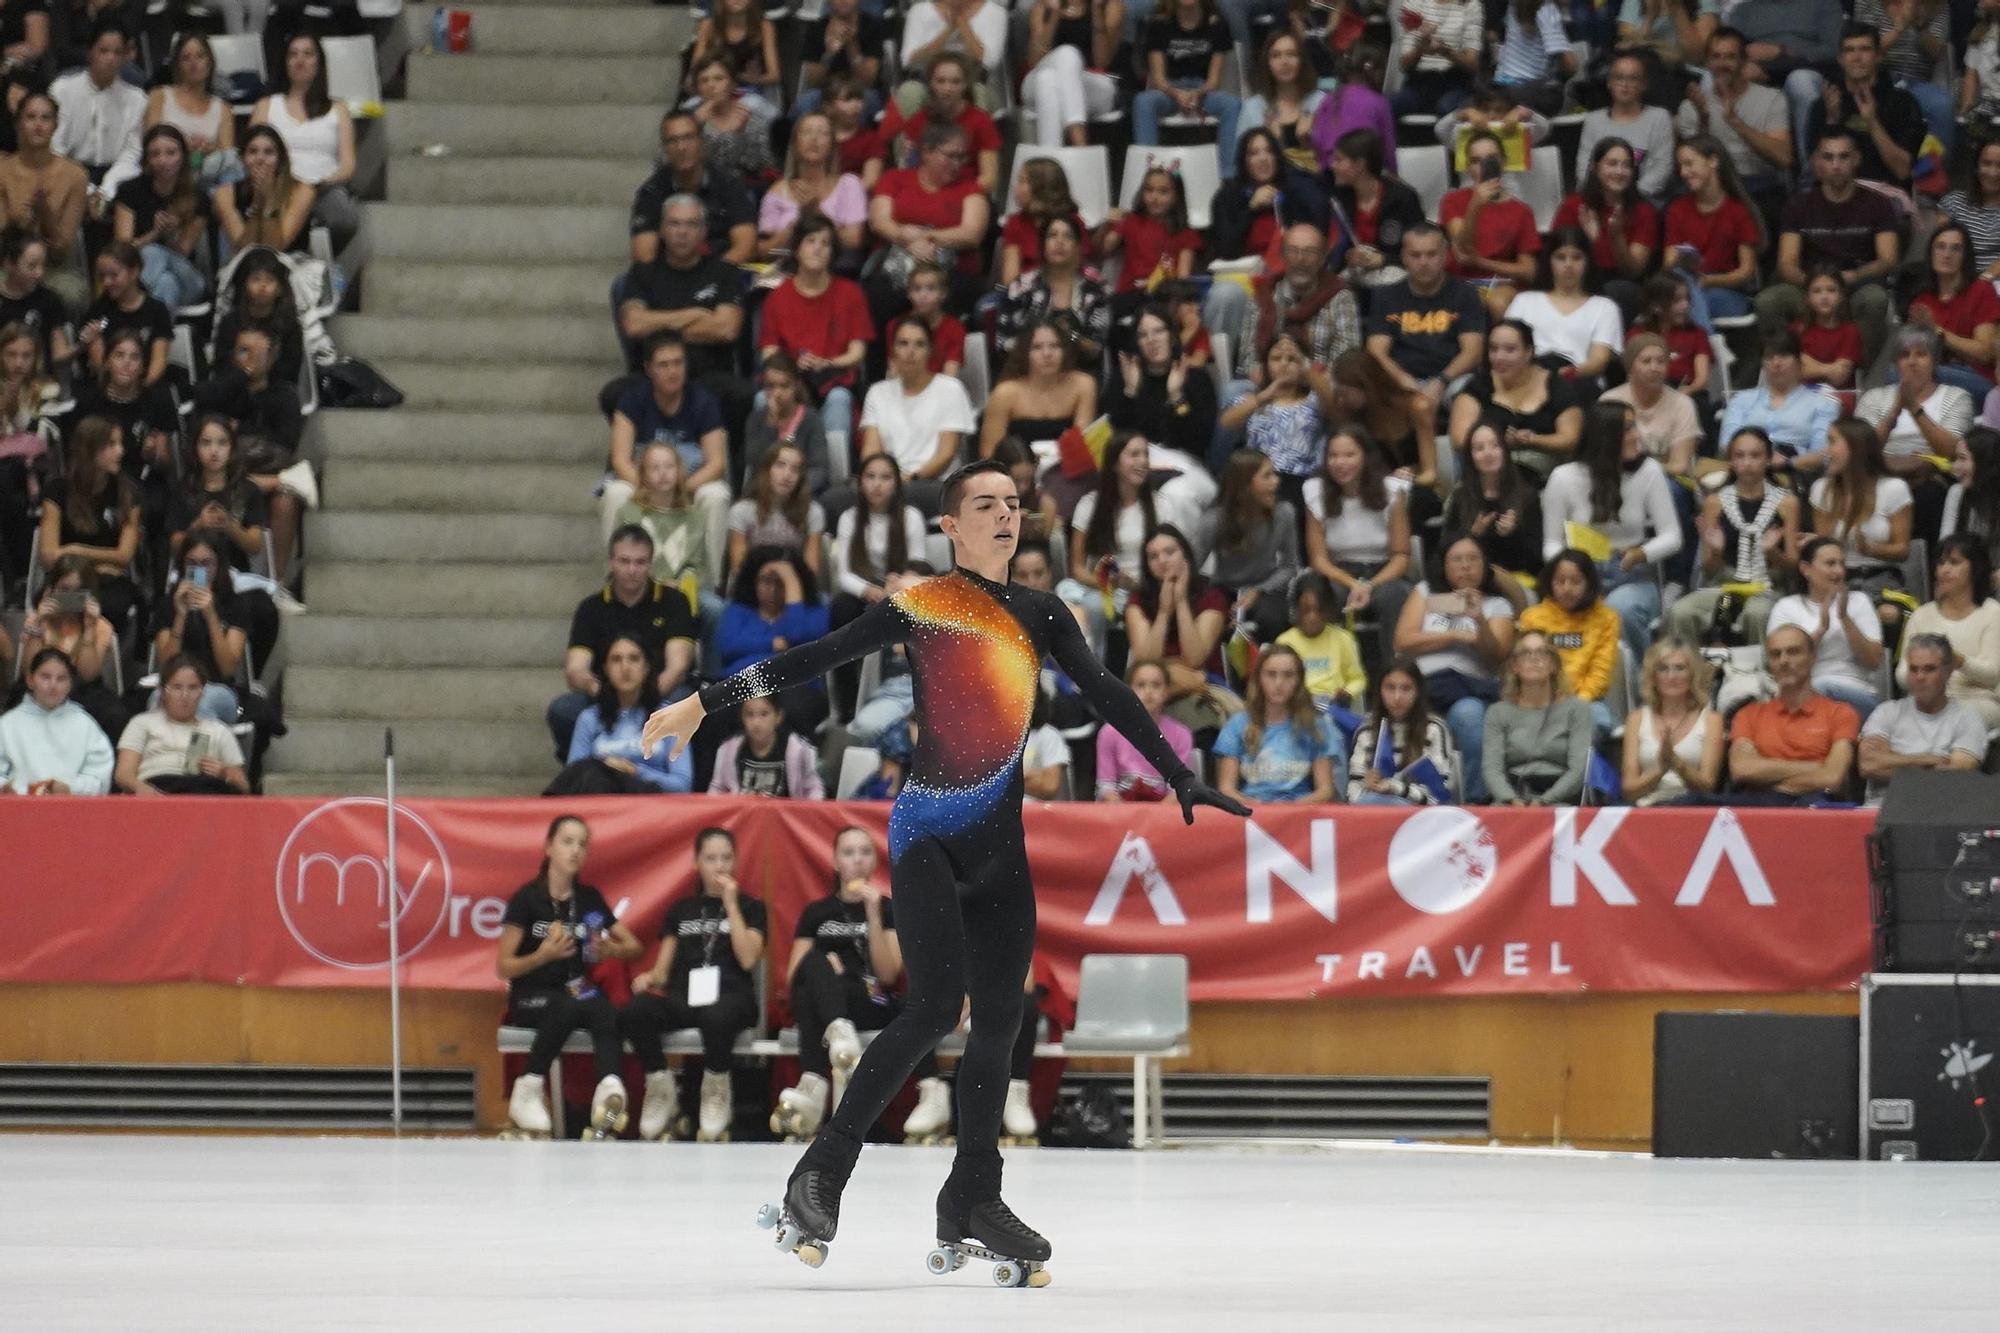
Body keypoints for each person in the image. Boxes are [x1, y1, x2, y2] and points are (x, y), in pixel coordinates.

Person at [638, 458, 1247, 1274]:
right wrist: (703, 701)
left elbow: (1104, 690)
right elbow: (813, 657)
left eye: (1014, 504)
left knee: (1002, 1018)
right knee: (930, 1009)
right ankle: (818, 1173)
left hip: (1001, 847)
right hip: (926, 832)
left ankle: (972, 1196)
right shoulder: (923, 605)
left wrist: (1177, 772)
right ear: (950, 525)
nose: (1005, 514)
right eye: (985, 504)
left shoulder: (1042, 612)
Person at [499, 815, 645, 1139]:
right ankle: (529, 1085)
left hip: (575, 993)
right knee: (564, 1005)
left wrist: (611, 951)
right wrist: (543, 955)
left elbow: (633, 945)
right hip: (531, 995)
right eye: (567, 842)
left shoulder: (588, 898)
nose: (575, 850)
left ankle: (609, 1088)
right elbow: (504, 966)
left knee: (604, 1008)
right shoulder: (527, 899)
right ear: (549, 847)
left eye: (582, 844)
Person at [770, 827, 912, 1141]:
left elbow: (888, 975)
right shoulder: (816, 912)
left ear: (875, 861)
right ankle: (838, 1033)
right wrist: (823, 964)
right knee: (813, 971)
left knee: (822, 981)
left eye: (864, 852)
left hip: (871, 998)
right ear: (835, 861)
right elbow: (796, 976)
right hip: (826, 1000)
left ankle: (813, 1082)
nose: (857, 861)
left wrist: (873, 915)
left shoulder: (888, 908)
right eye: (849, 853)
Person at [1540, 401, 1683, 662]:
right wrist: (1570, 574)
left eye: (1634, 427)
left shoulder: (1648, 471)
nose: (1636, 435)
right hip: (1580, 572)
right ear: (1606, 436)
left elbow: (1672, 536)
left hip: (1630, 572)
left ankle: (1641, 688)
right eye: (1627, 429)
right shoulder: (1563, 478)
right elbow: (1550, 544)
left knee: (1620, 610)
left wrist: (1641, 553)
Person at [613, 195, 751, 454]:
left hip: (710, 375)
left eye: (691, 224)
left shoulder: (723, 273)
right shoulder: (642, 273)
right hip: (652, 378)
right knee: (614, 394)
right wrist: (695, 314)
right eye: (675, 224)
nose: (683, 232)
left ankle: (731, 475)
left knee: (745, 396)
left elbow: (727, 328)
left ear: (703, 231)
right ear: (662, 230)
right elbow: (633, 324)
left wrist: (659, 323)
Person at [548, 526, 698, 761]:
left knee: (687, 701)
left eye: (640, 562)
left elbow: (678, 667)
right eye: (624, 561)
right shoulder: (591, 608)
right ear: (611, 562)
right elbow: (575, 669)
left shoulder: (674, 602)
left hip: (659, 692)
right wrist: (608, 694)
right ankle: (582, 773)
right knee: (563, 710)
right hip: (607, 694)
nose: (632, 570)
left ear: (650, 564)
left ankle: (675, 772)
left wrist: (643, 697)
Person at [1757, 127, 1900, 371]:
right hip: (1807, 288)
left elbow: (1888, 258)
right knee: (1767, 300)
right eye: (1828, 157)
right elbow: (1786, 263)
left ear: (1856, 160)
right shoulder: (1798, 204)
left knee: (1875, 298)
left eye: (1843, 157)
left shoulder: (1878, 204)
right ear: (1815, 161)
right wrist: (1816, 286)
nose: (1836, 165)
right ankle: (1787, 367)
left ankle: (1855, 374)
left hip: (1855, 288)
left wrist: (1853, 277)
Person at [1393, 533, 1516, 801]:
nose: (1465, 566)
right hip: (1424, 689)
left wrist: (1479, 620)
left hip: (1469, 692)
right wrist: (1457, 636)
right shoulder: (1426, 593)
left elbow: (1498, 655)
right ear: (1444, 565)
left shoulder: (1497, 605)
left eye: (1473, 559)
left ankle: (1476, 802)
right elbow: (1403, 640)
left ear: (1485, 565)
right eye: (1457, 560)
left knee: (1470, 714)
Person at [1665, 426, 1800, 647]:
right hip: (1727, 588)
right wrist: (1716, 552)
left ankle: (1764, 674)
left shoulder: (1787, 503)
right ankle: (1693, 674)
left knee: (1758, 614)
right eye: (1740, 456)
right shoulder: (1715, 502)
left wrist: (1772, 552)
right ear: (1731, 461)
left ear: (1768, 459)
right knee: (1682, 612)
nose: (1747, 462)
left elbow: (1792, 567)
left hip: (1767, 586)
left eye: (1755, 455)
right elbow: (1710, 569)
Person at [1301, 423, 1411, 654]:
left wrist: (1369, 585)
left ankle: (1393, 672)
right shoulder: (1315, 491)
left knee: (1397, 596)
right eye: (1333, 456)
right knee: (1326, 595)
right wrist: (1353, 584)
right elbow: (1318, 559)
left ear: (1365, 457)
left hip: (1382, 572)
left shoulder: (1392, 490)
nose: (1340, 463)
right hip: (1337, 573)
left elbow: (1401, 555)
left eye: (1349, 455)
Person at [864, 123, 991, 322]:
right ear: (926, 152)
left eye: (962, 157)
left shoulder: (970, 189)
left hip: (953, 272)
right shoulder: (895, 179)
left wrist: (925, 237)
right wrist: (903, 236)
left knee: (947, 296)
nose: (957, 163)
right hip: (896, 264)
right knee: (879, 294)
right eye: (950, 156)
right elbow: (879, 221)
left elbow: (971, 234)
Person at [1725, 623, 1860, 803]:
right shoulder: (1748, 714)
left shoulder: (1840, 713)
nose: (1784, 661)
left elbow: (1832, 778)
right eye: (1775, 654)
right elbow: (1741, 769)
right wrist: (1815, 766)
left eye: (1793, 652)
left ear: (1812, 657)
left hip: (1811, 808)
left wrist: (1766, 774)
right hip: (1756, 808)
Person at [1365, 222, 1487, 418]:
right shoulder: (1386, 295)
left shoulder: (1466, 294)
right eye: (1415, 255)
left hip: (1451, 380)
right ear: (1404, 257)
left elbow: (1473, 352)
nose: (1423, 262)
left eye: (1431, 254)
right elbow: (1376, 351)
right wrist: (1404, 380)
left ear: (1445, 256)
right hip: (1401, 381)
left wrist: (1440, 382)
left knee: (1469, 396)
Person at [249, 34, 358, 252]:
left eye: (308, 54)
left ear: (319, 62)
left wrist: (321, 183)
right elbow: (251, 153)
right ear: (285, 63)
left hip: (323, 188)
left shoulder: (339, 109)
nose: (300, 60)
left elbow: (348, 165)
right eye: (293, 54)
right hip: (277, 185)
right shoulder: (267, 105)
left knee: (344, 217)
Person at [858, 316, 976, 516]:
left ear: (930, 351)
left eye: (919, 344)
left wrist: (909, 479)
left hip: (934, 483)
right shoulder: (877, 392)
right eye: (903, 343)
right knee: (834, 500)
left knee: (908, 495)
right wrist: (883, 480)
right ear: (893, 350)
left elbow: (946, 454)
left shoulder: (950, 389)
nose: (910, 351)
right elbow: (871, 452)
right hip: (886, 483)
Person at [548, 636, 693, 796]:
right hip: (602, 804)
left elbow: (683, 785)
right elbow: (574, 779)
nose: (625, 667)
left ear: (647, 667)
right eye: (616, 660)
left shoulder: (673, 717)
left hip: (654, 805)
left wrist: (634, 771)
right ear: (605, 669)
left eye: (634, 659)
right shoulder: (589, 718)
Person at [1125, 524, 1237, 730]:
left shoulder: (1212, 596)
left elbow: (1194, 659)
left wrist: (1181, 602)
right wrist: (1164, 612)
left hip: (1205, 688)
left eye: (1169, 552)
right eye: (1153, 556)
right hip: (1154, 691)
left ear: (1185, 554)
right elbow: (1146, 663)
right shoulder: (1138, 601)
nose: (1162, 561)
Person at [1677, 28, 1793, 225]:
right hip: (1711, 183)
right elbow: (1691, 164)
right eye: (1716, 57)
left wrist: (1737, 123)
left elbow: (1783, 158)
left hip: (1758, 183)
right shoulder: (1691, 106)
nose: (1722, 64)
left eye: (1730, 57)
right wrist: (1704, 119)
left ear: (1744, 61)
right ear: (1707, 62)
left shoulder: (1771, 99)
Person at [1447, 317, 1584, 482]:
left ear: (1528, 352)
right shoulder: (1478, 385)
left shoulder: (1556, 386)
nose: (1499, 357)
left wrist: (1533, 440)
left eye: (1510, 350)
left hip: (1541, 471)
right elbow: (1460, 438)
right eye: (1493, 349)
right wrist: (1497, 443)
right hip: (1487, 471)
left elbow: (1570, 438)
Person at [1809, 415, 1914, 627]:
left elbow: (1903, 550)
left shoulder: (1893, 488)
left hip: (1881, 577)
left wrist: (1870, 549)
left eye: (1832, 442)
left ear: (1855, 447)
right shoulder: (1821, 489)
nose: (1827, 451)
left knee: (1889, 614)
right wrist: (1812, 543)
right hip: (1835, 578)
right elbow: (1822, 546)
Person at [1860, 631, 1990, 801]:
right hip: (1879, 811)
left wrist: (1891, 758)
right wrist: (1926, 759)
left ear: (1948, 671)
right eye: (1913, 669)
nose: (1920, 677)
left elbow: (1956, 774)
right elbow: (1868, 764)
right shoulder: (1886, 712)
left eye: (1929, 669)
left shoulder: (1968, 718)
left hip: (1940, 812)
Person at [1768, 533, 1887, 719]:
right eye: (1830, 564)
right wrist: (1822, 629)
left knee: (1823, 688)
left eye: (1842, 564)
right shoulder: (1786, 607)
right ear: (1806, 569)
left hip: (1855, 691)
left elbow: (1873, 662)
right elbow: (1781, 665)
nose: (1839, 571)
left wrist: (1845, 618)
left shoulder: (1859, 602)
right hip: (1801, 690)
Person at [718, 548, 833, 738]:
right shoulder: (738, 610)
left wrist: (792, 584)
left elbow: (796, 636)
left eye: (780, 583)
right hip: (741, 683)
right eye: (765, 581)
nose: (771, 589)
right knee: (713, 713)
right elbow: (728, 646)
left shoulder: (814, 613)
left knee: (796, 709)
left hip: (794, 687)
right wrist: (772, 644)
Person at [38, 416, 138, 631]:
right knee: (53, 605)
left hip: (109, 583)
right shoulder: (57, 491)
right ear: (89, 449)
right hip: (66, 581)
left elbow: (124, 556)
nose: (120, 451)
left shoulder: (129, 493)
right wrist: (97, 563)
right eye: (111, 444)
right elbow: (48, 556)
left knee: (113, 606)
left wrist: (75, 550)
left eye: (120, 444)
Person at [1213, 643, 1344, 803]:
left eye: (1288, 675)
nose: (1279, 683)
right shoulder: (1237, 724)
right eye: (1271, 674)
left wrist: (1287, 812)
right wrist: (1257, 808)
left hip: (1300, 812)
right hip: (1251, 811)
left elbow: (1325, 791)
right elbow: (1226, 789)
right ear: (1259, 678)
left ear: (1299, 680)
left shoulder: (1316, 726)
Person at [1801, 24, 1925, 189]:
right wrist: (1831, 122)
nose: (1857, 57)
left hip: (1885, 197)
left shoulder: (1902, 102)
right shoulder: (1823, 105)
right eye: (1849, 50)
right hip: (1835, 196)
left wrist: (1873, 122)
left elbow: (1902, 170)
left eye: (1864, 49)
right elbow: (1817, 173)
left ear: (1878, 55)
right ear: (1840, 58)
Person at [1898, 534, 2000, 731]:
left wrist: (1958, 661)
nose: (1944, 570)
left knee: (1947, 719)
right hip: (1925, 700)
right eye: (1941, 563)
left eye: (1954, 563)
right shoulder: (1921, 615)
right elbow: (1902, 673)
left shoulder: (1993, 613)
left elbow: (1993, 675)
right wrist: (1923, 672)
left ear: (1975, 568)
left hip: (1975, 700)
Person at [1482, 629, 1595, 805]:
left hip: (1559, 801)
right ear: (1514, 666)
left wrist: (1545, 800)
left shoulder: (1577, 709)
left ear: (1554, 665)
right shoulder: (1498, 712)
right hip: (1512, 799)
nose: (1534, 658)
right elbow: (1492, 768)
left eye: (1542, 652)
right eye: (1525, 653)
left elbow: (1579, 770)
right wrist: (1510, 799)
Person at [630, 111, 757, 266]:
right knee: (623, 284)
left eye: (688, 137)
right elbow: (644, 255)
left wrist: (709, 279)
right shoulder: (651, 192)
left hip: (720, 271)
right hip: (669, 277)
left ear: (701, 141)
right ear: (665, 148)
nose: (681, 147)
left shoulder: (728, 184)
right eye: (672, 140)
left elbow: (745, 246)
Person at [0, 93, 90, 312]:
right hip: (7, 265)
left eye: (45, 118)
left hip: (54, 268)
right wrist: (22, 221)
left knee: (72, 293)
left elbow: (62, 250)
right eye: (30, 117)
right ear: (18, 123)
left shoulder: (75, 175)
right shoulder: (2, 170)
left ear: (55, 125)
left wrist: (46, 214)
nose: (38, 125)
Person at [1222, 330, 1337, 498]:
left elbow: (1332, 402)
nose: (1284, 364)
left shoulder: (1314, 400)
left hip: (1300, 480)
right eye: (1276, 358)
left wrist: (1306, 368)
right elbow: (1226, 422)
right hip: (1257, 479)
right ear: (1266, 365)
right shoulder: (1253, 399)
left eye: (1292, 359)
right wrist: (1264, 396)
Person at [1666, 132, 1766, 325]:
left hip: (1728, 293)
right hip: (1684, 288)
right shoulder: (1677, 209)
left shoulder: (1738, 212)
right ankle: (1711, 343)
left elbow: (1746, 271)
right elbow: (1668, 264)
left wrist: (1709, 281)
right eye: (1680, 167)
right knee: (1683, 286)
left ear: (1713, 161)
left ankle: (1701, 345)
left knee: (1687, 301)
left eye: (1689, 164)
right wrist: (1684, 262)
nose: (1683, 173)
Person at [1518, 549, 1624, 732]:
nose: (1567, 588)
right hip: (1540, 701)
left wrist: (1574, 704)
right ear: (1550, 583)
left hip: (1587, 702)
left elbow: (1600, 673)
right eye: (1560, 581)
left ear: (1589, 583)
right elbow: (1527, 667)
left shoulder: (1607, 618)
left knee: (1593, 720)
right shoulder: (1532, 617)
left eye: (1575, 582)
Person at [1441, 130, 1540, 321]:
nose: (1484, 166)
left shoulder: (1521, 211)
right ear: (1469, 167)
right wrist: (1475, 205)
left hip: (1502, 284)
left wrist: (1480, 262)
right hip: (1461, 281)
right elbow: (1462, 250)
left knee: (1497, 301)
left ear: (1503, 162)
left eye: (1491, 159)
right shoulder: (1453, 201)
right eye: (1476, 161)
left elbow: (1529, 271)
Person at [1553, 138, 1658, 319]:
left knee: (1612, 293)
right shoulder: (1574, 206)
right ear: (1595, 167)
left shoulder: (1644, 211)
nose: (1619, 171)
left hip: (1623, 285)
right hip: (1579, 279)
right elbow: (1557, 258)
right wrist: (1589, 243)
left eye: (1626, 166)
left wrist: (1615, 237)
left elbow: (1633, 271)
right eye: (1612, 164)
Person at [113, 657, 250, 795]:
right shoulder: (141, 723)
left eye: (193, 688)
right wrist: (140, 788)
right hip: (156, 788)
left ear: (202, 692)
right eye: (177, 687)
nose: (185, 696)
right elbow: (124, 774)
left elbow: (243, 785)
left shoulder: (219, 730)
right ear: (163, 691)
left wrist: (224, 772)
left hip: (203, 792)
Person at [1503, 227, 1622, 384]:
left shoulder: (1605, 307)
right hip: (1527, 381)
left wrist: (1562, 375)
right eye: (1560, 257)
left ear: (1587, 262)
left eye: (1577, 257)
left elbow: (1598, 361)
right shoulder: (1524, 301)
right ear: (1549, 262)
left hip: (1579, 383)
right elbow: (1507, 347)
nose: (1569, 264)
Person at [109, 125, 207, 313]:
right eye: (155, 154)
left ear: (183, 156)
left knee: (153, 253)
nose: (163, 160)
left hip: (188, 278)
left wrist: (170, 235)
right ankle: (155, 337)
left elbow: (184, 251)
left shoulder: (197, 197)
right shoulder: (130, 191)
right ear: (147, 159)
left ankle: (126, 309)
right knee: (166, 283)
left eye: (171, 153)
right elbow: (122, 251)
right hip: (146, 275)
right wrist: (154, 234)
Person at [1104, 307, 1218, 468]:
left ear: (1171, 336)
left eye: (1159, 331)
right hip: (1135, 463)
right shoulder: (1125, 376)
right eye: (1143, 335)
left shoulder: (1196, 378)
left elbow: (1198, 441)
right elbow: (1116, 435)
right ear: (1137, 343)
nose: (1151, 339)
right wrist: (1130, 392)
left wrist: (1177, 397)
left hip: (1184, 465)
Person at [51, 17, 144, 211]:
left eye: (117, 52)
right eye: (103, 51)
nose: (110, 59)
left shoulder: (137, 99)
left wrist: (107, 188)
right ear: (90, 52)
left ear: (126, 55)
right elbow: (56, 148)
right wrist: (86, 188)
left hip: (118, 177)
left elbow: (132, 152)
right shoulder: (62, 90)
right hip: (70, 173)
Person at [1619, 638, 1724, 806]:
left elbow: (1708, 786)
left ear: (1693, 674)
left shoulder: (1712, 720)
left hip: (1694, 809)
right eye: (1663, 669)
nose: (1671, 676)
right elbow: (1628, 790)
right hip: (1646, 810)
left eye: (1680, 668)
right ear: (1653, 676)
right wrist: (1660, 770)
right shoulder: (1636, 719)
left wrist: (1676, 763)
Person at [1209, 450, 1300, 643]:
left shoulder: (1284, 513)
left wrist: (1258, 590)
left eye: (1274, 474)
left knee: (1272, 620)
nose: (1276, 482)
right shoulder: (1214, 519)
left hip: (1266, 585)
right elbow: (1190, 563)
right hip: (1224, 586)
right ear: (1245, 485)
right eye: (1267, 476)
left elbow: (1289, 566)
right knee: (1212, 620)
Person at [1440, 421, 1542, 591]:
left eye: (1495, 446)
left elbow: (1535, 562)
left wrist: (1513, 534)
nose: (1488, 453)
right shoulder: (1461, 496)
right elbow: (1445, 550)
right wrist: (1473, 536)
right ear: (1470, 457)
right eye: (1479, 448)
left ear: (1504, 450)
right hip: (1468, 579)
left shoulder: (1527, 496)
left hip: (1514, 581)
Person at [1135, 0, 1241, 164]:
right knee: (1143, 101)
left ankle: (1229, 176)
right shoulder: (1158, 24)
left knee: (1232, 104)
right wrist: (1177, 94)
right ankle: (1149, 170)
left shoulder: (1217, 24)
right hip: (1169, 90)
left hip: (1203, 90)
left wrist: (1196, 94)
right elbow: (1158, 79)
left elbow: (1214, 81)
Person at [993, 214, 1109, 363]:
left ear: (1078, 247)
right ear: (1042, 245)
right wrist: (1038, 347)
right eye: (1052, 235)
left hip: (1077, 373)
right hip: (1025, 371)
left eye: (1068, 236)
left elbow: (1096, 349)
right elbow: (1003, 343)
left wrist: (1071, 336)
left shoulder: (1095, 292)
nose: (1059, 242)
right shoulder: (1021, 287)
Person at [883, 52, 1002, 195]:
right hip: (926, 195)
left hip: (968, 195)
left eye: (955, 82)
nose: (947, 89)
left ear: (965, 85)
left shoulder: (981, 121)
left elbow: (989, 179)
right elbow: (910, 169)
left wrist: (955, 195)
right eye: (941, 81)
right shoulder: (920, 119)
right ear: (931, 84)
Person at [1345, 657, 1460, 803]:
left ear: (1418, 692)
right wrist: (1367, 786)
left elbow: (1439, 796)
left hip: (1421, 815)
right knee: (1370, 800)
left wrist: (1395, 788)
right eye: (1390, 688)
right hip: (1373, 810)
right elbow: (1352, 798)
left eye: (1406, 688)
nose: (1397, 697)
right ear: (1379, 690)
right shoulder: (1366, 730)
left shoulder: (1434, 728)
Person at [1905, 224, 2000, 400]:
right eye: (1940, 247)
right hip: (1935, 373)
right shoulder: (1923, 300)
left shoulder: (1981, 290)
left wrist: (1937, 331)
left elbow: (1985, 353)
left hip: (1975, 377)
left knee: (1912, 376)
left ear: (1965, 257)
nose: (1947, 254)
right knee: (1898, 373)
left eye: (1956, 249)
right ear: (1931, 253)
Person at [1325, 128, 1427, 293]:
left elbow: (1420, 248)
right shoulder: (1339, 198)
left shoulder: (1401, 198)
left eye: (1339, 160)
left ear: (1359, 165)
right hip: (1353, 270)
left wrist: (1383, 259)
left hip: (1394, 269)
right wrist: (1348, 256)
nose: (1332, 165)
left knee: (1393, 280)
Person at [0, 647, 112, 794]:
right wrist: (7, 788)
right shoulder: (8, 724)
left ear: (70, 684)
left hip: (72, 808)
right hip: (19, 807)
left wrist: (71, 788)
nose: (53, 685)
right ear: (30, 680)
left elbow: (99, 778)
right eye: (45, 677)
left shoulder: (85, 724)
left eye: (61, 679)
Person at [1718, 331, 1841, 463]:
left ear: (1799, 361)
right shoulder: (1741, 400)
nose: (1776, 363)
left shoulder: (1822, 402)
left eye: (1784, 355)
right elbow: (1727, 445)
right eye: (1769, 357)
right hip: (1745, 468)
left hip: (1798, 473)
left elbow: (1823, 454)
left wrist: (1787, 464)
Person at [759, 116, 867, 263]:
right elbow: (764, 251)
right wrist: (791, 230)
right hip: (787, 271)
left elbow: (854, 241)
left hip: (839, 271)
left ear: (832, 146)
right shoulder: (777, 191)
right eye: (806, 132)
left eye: (823, 133)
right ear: (795, 143)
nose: (814, 138)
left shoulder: (849, 184)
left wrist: (815, 209)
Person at [1577, 54, 1677, 203]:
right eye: (1618, 78)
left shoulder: (1660, 117)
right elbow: (1584, 168)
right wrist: (1607, 197)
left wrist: (1626, 198)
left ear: (1644, 84)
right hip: (1600, 199)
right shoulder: (1593, 120)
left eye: (1632, 78)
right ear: (1609, 83)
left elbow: (1662, 169)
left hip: (1644, 199)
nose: (1625, 84)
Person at [1021, 0, 1122, 147]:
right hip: (1037, 79)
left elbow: (1102, 61)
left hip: (1091, 83)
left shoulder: (1110, 6)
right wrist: (1054, 14)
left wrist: (1097, 11)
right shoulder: (1043, 6)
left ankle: (1051, 158)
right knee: (1058, 65)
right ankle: (1079, 144)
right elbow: (1034, 60)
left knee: (1053, 74)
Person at [145, 32, 239, 190]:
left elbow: (227, 157)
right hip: (165, 177)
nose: (194, 63)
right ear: (177, 65)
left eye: (200, 56)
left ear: (210, 62)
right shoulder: (159, 96)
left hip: (208, 182)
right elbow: (151, 139)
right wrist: (183, 146)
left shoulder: (223, 109)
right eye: (186, 58)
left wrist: (210, 149)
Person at [1096, 658, 1197, 799]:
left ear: (1167, 691)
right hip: (1120, 812)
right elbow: (1106, 786)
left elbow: (1179, 789)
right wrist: (1128, 818)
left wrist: (1153, 819)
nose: (1148, 692)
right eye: (1141, 685)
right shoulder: (1109, 733)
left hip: (1163, 813)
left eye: (1156, 685)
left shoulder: (1181, 734)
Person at [1602, 335, 1702, 475]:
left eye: (1661, 362)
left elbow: (1680, 466)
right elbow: (1602, 458)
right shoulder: (1610, 401)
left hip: (1668, 479)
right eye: (1646, 361)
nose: (1654, 368)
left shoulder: (1682, 404)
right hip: (1619, 476)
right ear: (1630, 367)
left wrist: (1645, 474)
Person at [1276, 571, 1367, 712]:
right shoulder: (1284, 642)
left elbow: (1357, 679)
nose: (1312, 617)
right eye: (1306, 610)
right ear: (1297, 609)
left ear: (1329, 609)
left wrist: (1347, 692)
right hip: (1296, 708)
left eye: (1319, 610)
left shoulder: (1343, 639)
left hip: (1333, 706)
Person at [213, 126, 311, 255]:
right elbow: (246, 250)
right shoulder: (224, 193)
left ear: (280, 160)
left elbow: (275, 249)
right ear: (242, 159)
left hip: (291, 263)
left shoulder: (302, 191)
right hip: (245, 265)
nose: (260, 159)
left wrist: (269, 201)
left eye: (269, 152)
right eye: (253, 152)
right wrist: (257, 204)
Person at [81, 241, 169, 385]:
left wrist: (141, 390)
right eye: (102, 276)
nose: (106, 282)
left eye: (113, 275)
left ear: (134, 272)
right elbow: (101, 367)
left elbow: (159, 360)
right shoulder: (98, 312)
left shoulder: (157, 310)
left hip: (146, 387)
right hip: (109, 390)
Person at [687, 55, 776, 196]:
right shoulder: (687, 120)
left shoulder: (748, 117)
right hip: (697, 190)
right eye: (704, 81)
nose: (711, 85)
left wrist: (741, 134)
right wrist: (693, 129)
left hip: (742, 192)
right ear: (698, 88)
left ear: (732, 84)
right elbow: (668, 161)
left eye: (719, 79)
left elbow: (761, 165)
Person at [1236, 29, 1325, 170]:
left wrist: (1311, 142)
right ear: (1267, 63)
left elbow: (1336, 159)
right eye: (1276, 56)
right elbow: (1240, 162)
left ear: (1302, 61)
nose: (1284, 62)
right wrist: (1274, 142)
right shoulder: (1253, 108)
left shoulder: (1321, 102)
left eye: (1292, 54)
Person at [710, 694, 826, 798]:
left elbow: (814, 787)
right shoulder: (728, 750)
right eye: (749, 715)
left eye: (764, 714)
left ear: (778, 716)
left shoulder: (798, 749)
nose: (756, 723)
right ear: (742, 717)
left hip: (783, 818)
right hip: (743, 818)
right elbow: (717, 788)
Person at [1391, 0, 1482, 118]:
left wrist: (1446, 51)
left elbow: (1472, 65)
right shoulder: (1413, 3)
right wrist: (1420, 48)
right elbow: (1404, 65)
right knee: (1387, 105)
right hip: (1419, 83)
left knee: (1447, 108)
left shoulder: (1470, 5)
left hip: (1456, 82)